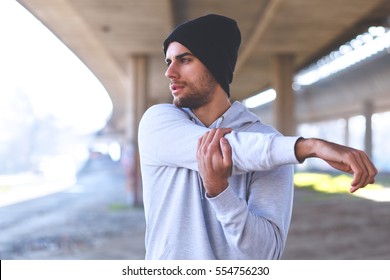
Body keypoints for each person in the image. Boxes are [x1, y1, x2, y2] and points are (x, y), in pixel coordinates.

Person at [138, 14, 377, 260]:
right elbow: (225, 148)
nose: (169, 72)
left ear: (215, 63)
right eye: (168, 62)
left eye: (184, 60)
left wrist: (222, 194)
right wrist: (309, 146)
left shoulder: (270, 143)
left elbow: (265, 254)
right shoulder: (158, 122)